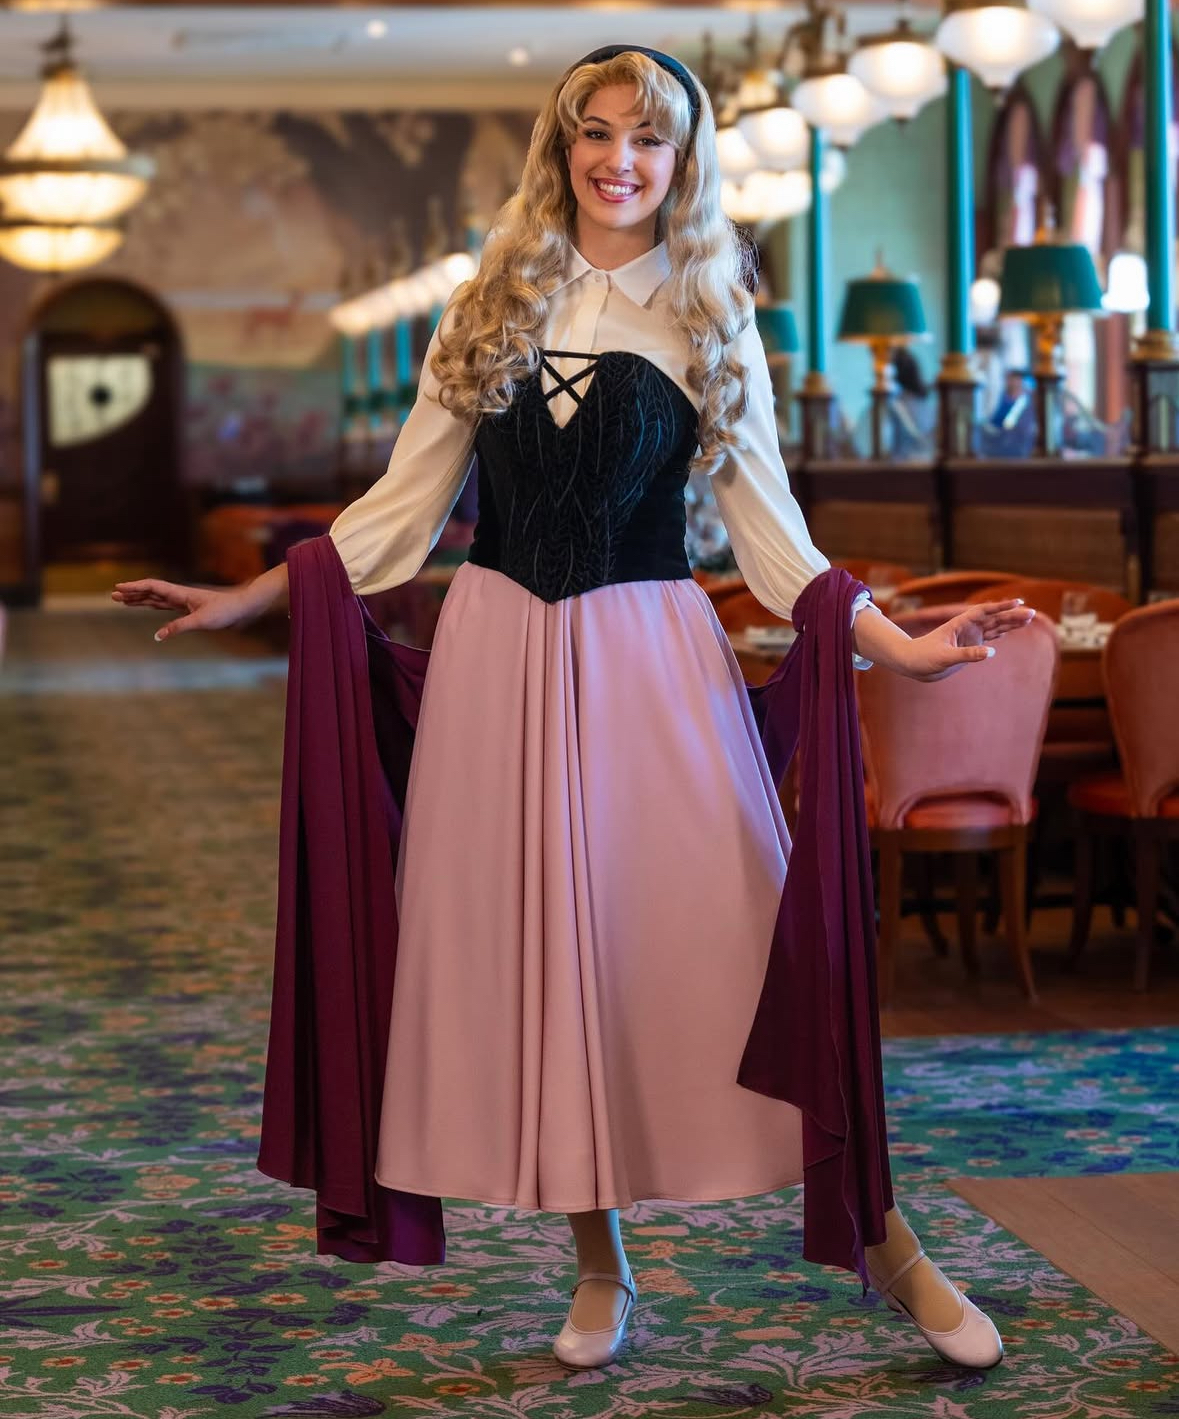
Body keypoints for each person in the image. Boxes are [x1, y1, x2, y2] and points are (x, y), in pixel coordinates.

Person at [113, 46, 1033, 1374]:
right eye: (596, 132)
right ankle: (599, 1264)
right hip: (495, 657)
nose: (620, 159)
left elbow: (774, 539)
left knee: (736, 949)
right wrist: (244, 598)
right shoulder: (489, 303)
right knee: (546, 963)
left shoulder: (712, 314)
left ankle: (888, 1246)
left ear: (684, 160)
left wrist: (903, 649)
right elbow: (399, 512)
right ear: (562, 148)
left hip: (650, 658)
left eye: (648, 139)